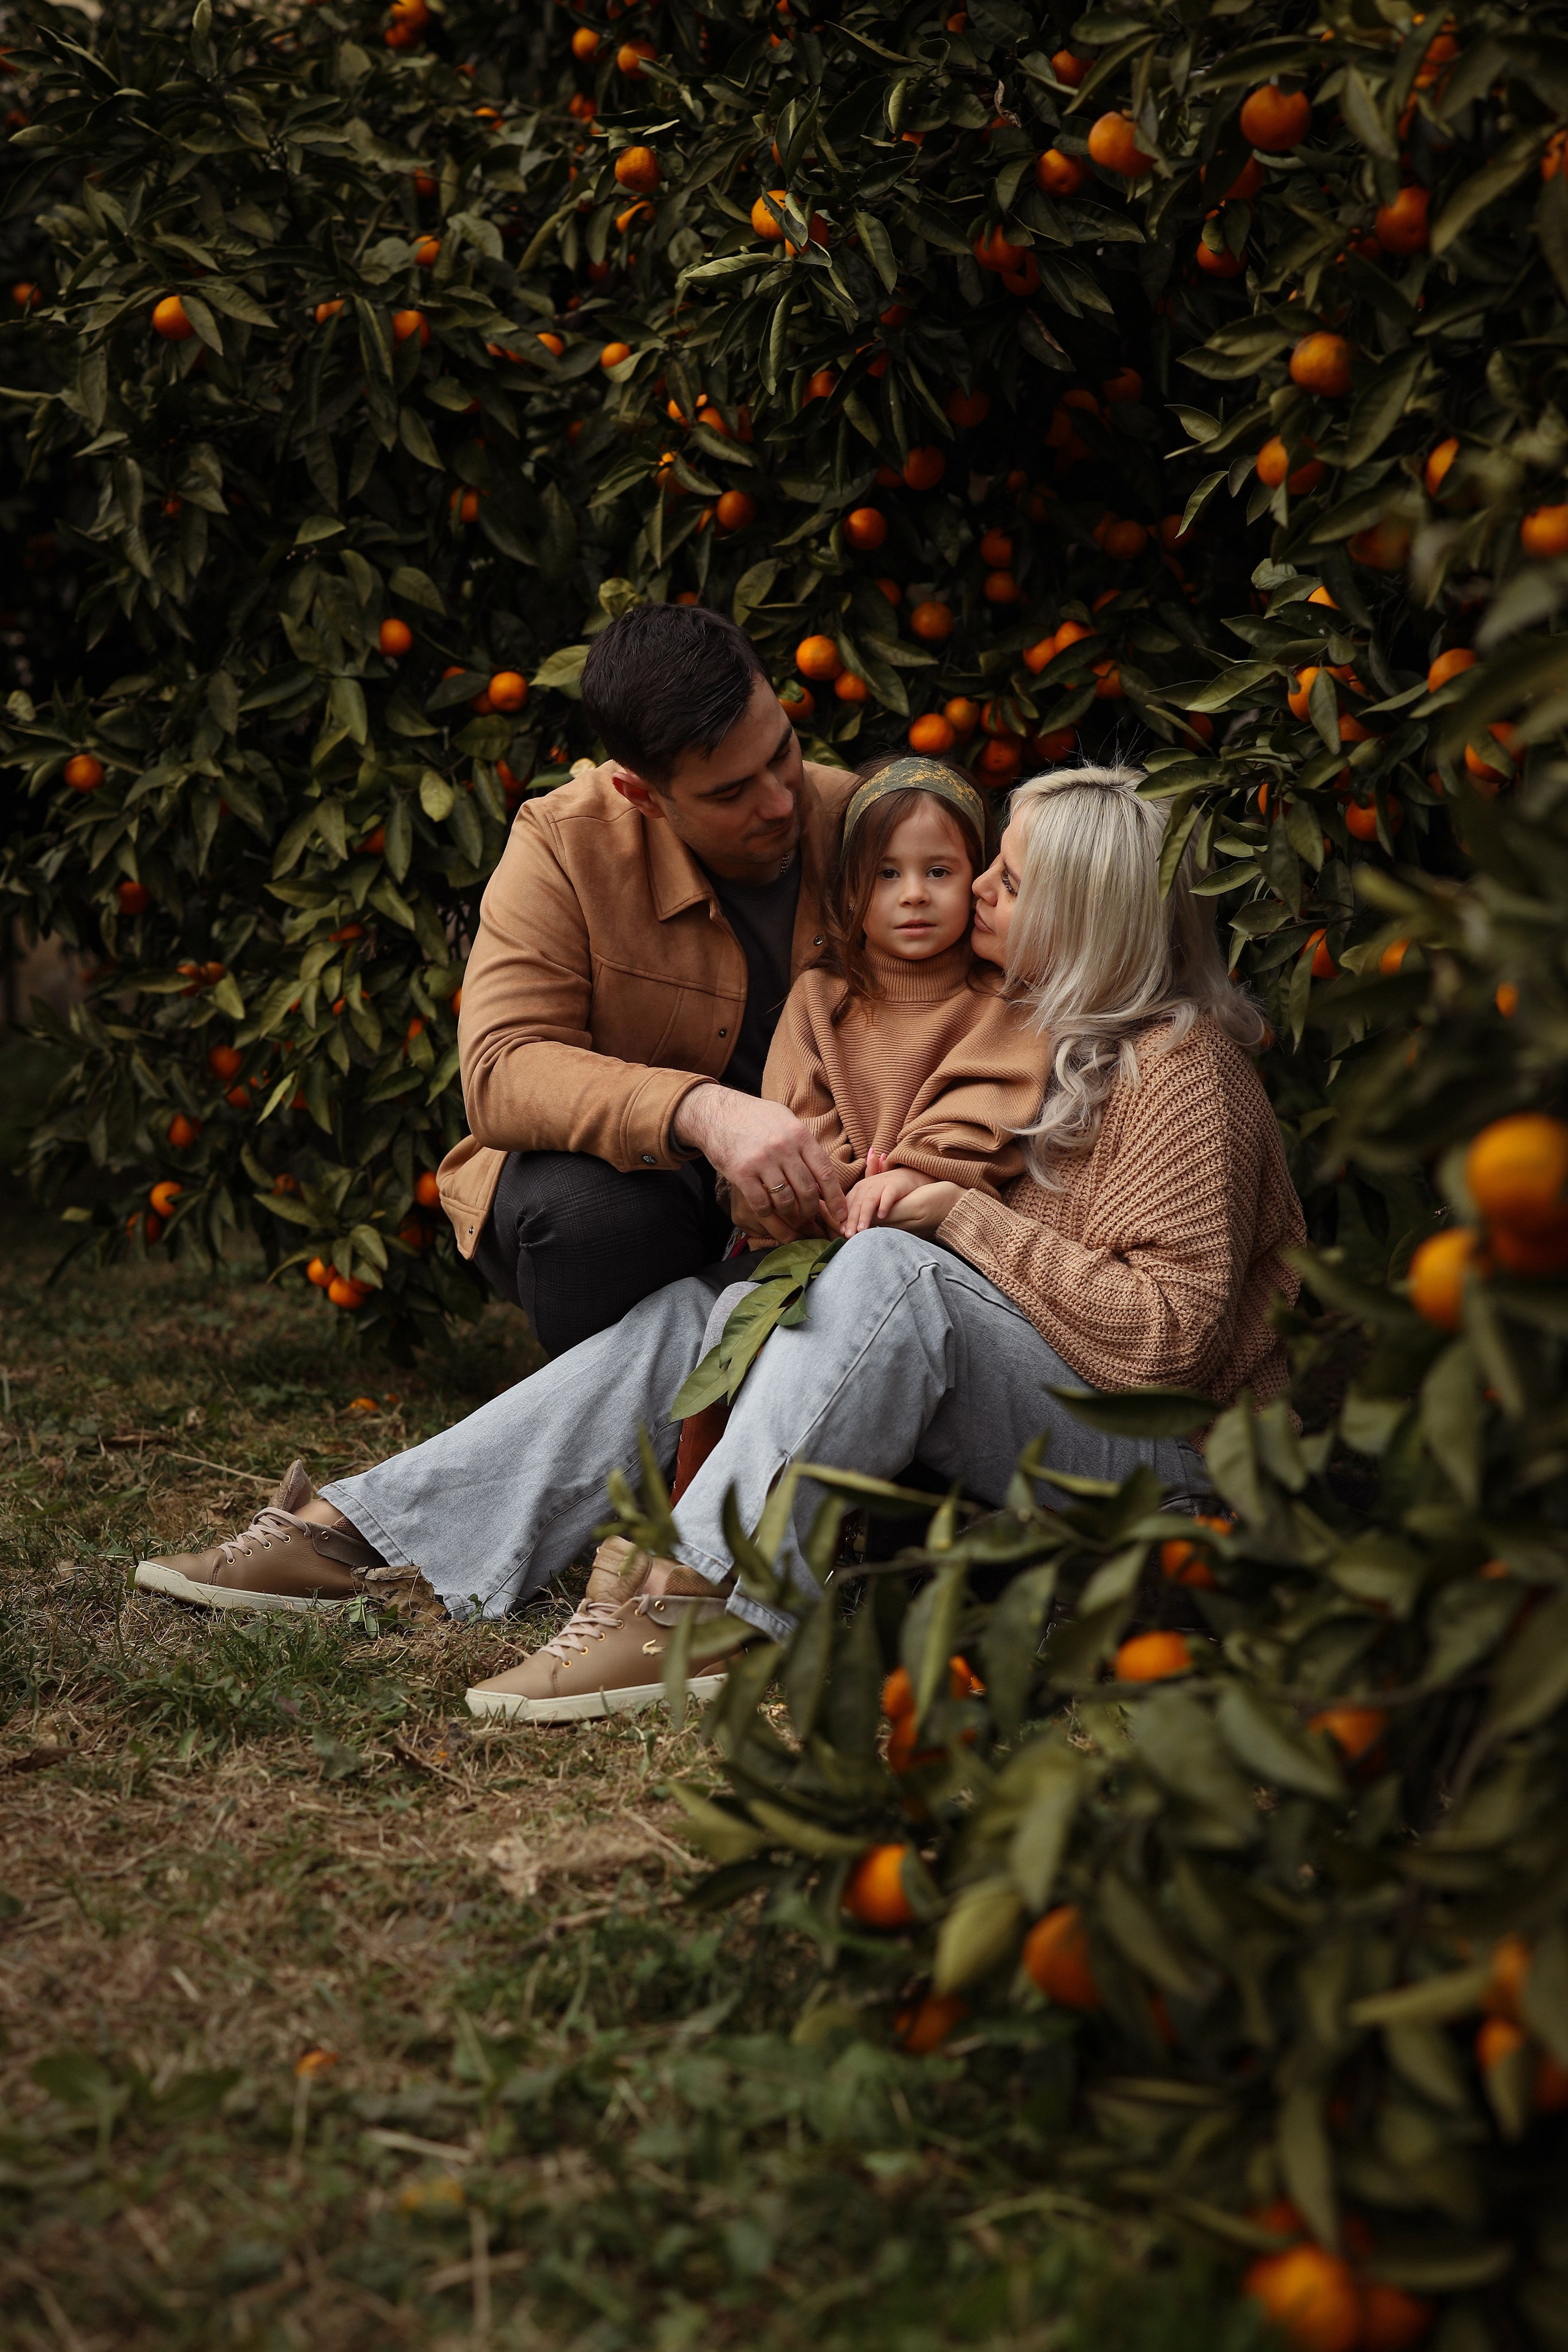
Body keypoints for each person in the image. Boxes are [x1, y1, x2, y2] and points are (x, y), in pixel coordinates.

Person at [135, 765, 1307, 1731]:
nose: (978, 891)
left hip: (1172, 1483)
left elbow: (1165, 1346)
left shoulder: (1181, 1067)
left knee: (899, 1273)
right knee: (718, 1309)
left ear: (1087, 918)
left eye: (1008, 877)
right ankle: (373, 1536)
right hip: (1043, 1425)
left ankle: (701, 1598)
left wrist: (957, 1217)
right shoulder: (1056, 1037)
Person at [439, 601, 857, 1355]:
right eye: (729, 793)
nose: (779, 800)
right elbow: (501, 1068)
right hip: (644, 1192)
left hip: (823, 1183)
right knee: (594, 1214)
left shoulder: (865, 822)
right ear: (641, 794)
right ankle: (629, 1453)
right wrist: (704, 1112)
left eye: (783, 752)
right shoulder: (565, 842)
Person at [734, 752, 1045, 1246]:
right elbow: (796, 1111)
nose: (914, 894)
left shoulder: (1002, 998)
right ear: (852, 889)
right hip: (813, 1237)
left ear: (978, 878)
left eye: (939, 872)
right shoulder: (820, 997)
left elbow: (993, 1104)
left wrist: (912, 1174)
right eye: (887, 874)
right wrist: (839, 1192)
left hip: (936, 1244)